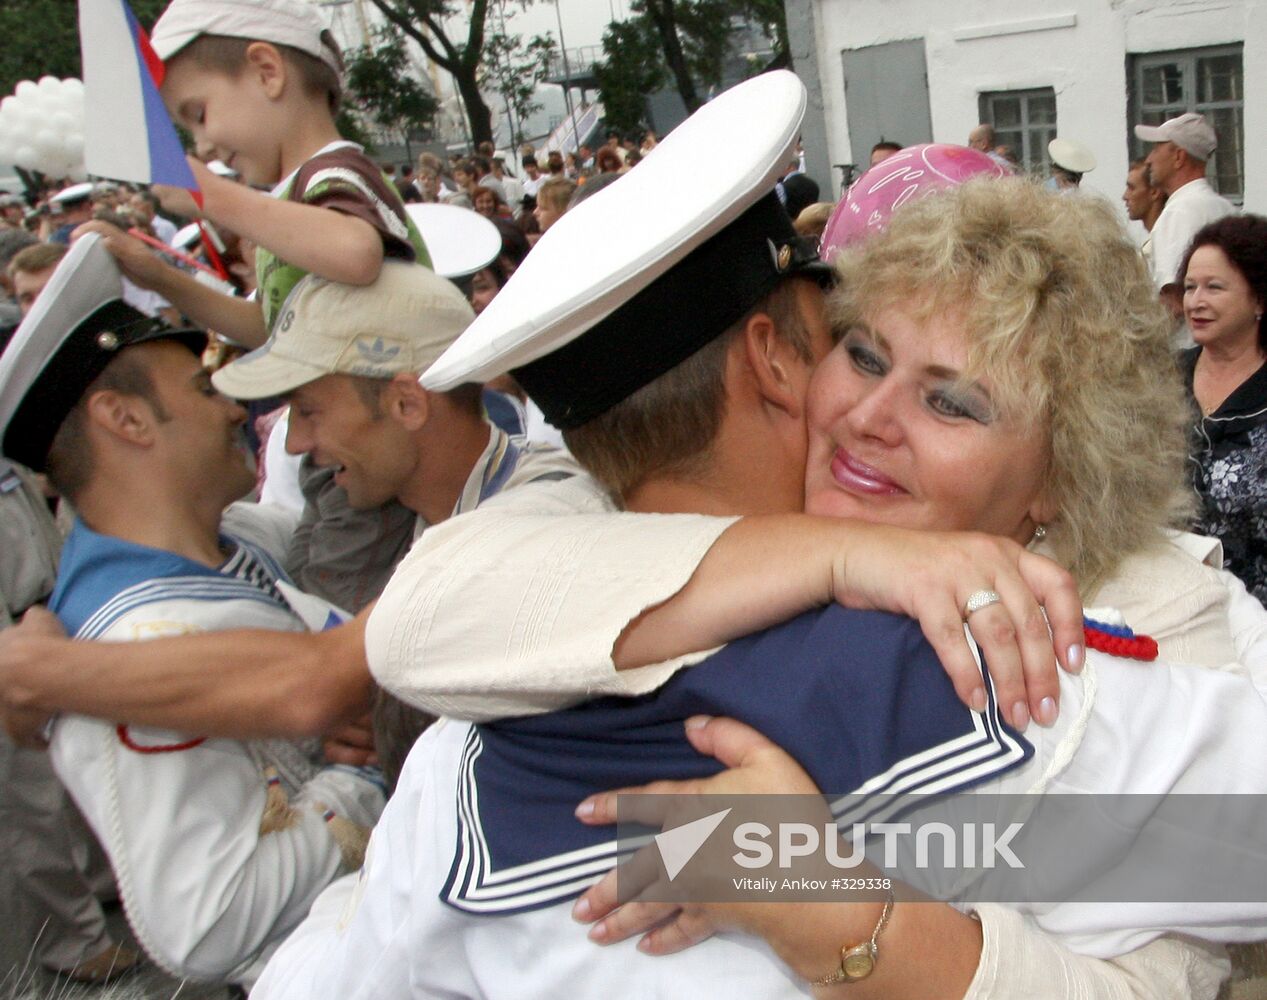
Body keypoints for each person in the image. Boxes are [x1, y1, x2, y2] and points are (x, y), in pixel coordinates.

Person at [247, 77, 1267, 999]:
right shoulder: (556, 600)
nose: (872, 417)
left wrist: (831, 910)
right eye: (861, 354)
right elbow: (424, 616)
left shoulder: (1084, 664)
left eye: (952, 403)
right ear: (783, 365)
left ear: (1056, 476)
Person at [0, 234, 385, 988]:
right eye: (205, 390)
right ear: (126, 420)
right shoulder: (138, 637)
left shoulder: (216, 543)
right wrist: (368, 777)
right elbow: (206, 923)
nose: (234, 408)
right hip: (351, 960)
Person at [79, 0, 430, 350]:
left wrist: (211, 196)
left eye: (199, 115)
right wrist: (159, 277)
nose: (201, 148)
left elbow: (355, 252)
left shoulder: (334, 173)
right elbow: (272, 329)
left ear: (267, 72)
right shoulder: (293, 198)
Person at [1180, 214, 1267, 604]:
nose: (1196, 302)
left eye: (1214, 288)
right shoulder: (1159, 380)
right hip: (1174, 609)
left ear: (1259, 300)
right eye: (1189, 287)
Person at [1134, 112, 1236, 329]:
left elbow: (1175, 302)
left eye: (1156, 149)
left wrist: (1135, 338)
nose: (1149, 160)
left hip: (1183, 349)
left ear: (1179, 157)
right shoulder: (1224, 207)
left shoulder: (1180, 212)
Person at [1123, 157, 1167, 273]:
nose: (1125, 196)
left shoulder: (1164, 244)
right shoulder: (1149, 242)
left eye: (1131, 188)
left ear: (1154, 192)